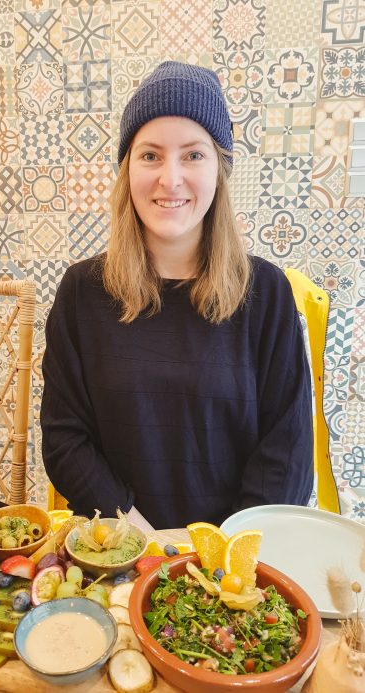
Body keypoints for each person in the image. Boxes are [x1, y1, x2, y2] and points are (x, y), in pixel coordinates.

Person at [40, 62, 313, 531]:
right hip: (121, 550)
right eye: (150, 155)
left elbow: (288, 451)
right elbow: (66, 439)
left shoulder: (267, 294)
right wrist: (141, 539)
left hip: (234, 566)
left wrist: (224, 555)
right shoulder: (81, 292)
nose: (170, 179)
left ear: (219, 169)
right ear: (127, 169)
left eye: (192, 155)